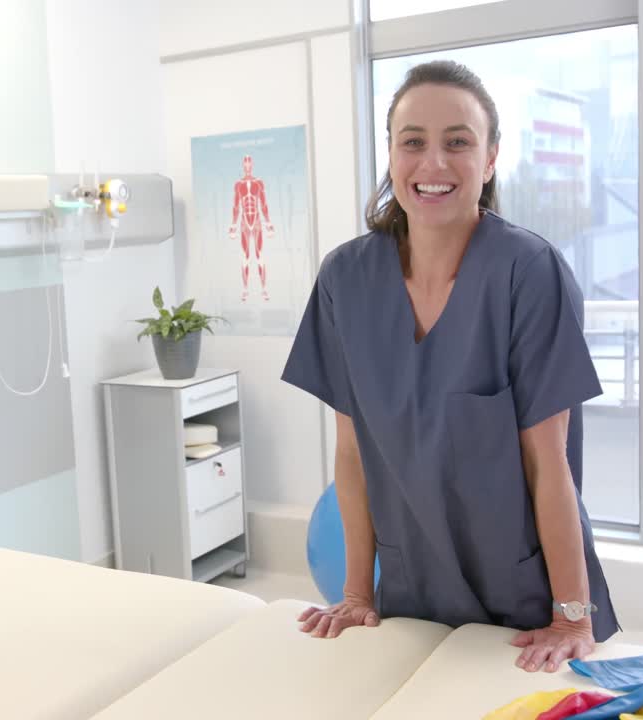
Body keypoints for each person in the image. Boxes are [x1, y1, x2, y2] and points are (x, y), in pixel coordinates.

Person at [280, 60, 619, 673]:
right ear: (391, 154)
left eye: (458, 142)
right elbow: (353, 455)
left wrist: (571, 616)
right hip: (410, 588)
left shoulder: (527, 272)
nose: (433, 164)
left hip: (525, 602)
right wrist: (356, 595)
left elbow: (550, 462)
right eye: (413, 142)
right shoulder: (345, 280)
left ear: (490, 159)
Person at [228, 154, 274, 302]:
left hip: (257, 222)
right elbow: (236, 206)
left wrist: (268, 224)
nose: (247, 165)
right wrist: (233, 225)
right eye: (245, 162)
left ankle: (264, 289)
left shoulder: (258, 183)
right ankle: (245, 289)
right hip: (244, 223)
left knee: (260, 255)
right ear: (243, 165)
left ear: (252, 164)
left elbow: (264, 204)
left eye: (249, 162)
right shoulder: (238, 184)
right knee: (246, 256)